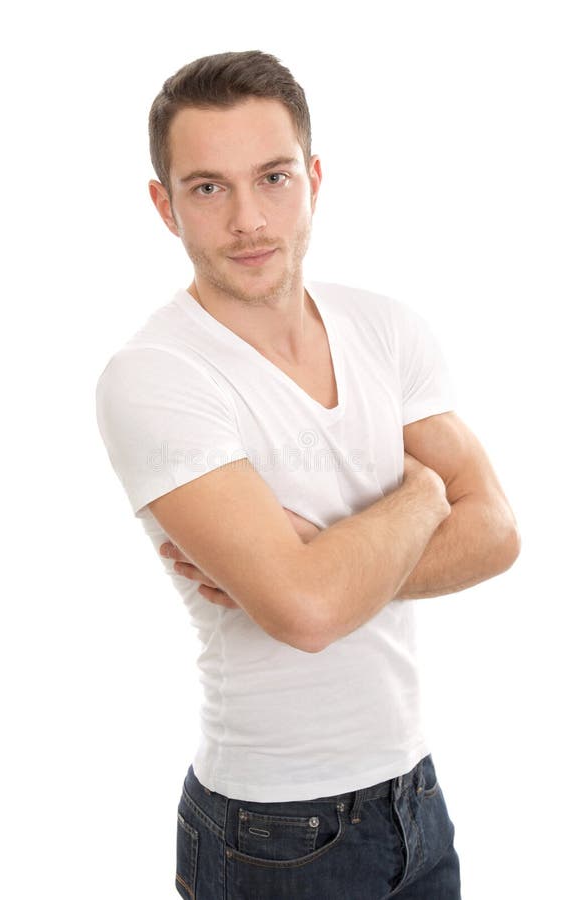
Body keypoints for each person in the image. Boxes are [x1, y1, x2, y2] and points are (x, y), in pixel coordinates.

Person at [95, 50, 520, 899]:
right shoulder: (155, 375)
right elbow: (308, 610)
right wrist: (425, 496)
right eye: (209, 187)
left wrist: (325, 564)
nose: (250, 218)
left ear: (315, 178)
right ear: (163, 205)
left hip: (418, 793)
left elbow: (499, 535)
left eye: (274, 177)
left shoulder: (386, 329)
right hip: (273, 832)